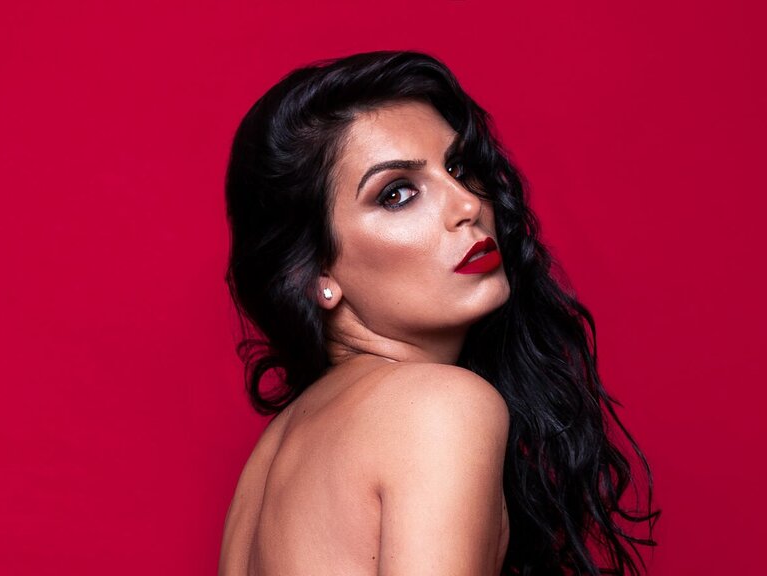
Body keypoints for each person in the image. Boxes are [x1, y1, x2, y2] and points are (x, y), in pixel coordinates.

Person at [218, 50, 659, 575]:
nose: (467, 204)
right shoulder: (438, 408)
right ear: (315, 275)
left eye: (458, 168)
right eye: (397, 194)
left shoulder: (269, 462)